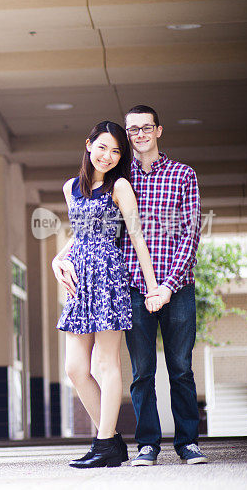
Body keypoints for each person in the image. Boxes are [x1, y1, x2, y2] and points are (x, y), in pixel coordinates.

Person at [51, 120, 163, 468]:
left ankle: (104, 443)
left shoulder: (121, 186)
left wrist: (153, 286)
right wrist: (58, 257)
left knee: (105, 363)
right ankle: (111, 441)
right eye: (102, 147)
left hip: (108, 276)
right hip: (79, 279)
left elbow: (136, 238)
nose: (108, 156)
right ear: (88, 145)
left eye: (116, 150)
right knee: (74, 368)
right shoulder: (71, 187)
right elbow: (79, 233)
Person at [121, 105, 207, 466]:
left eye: (145, 128)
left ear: (159, 130)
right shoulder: (120, 179)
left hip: (178, 287)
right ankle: (147, 445)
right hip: (134, 288)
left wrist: (168, 286)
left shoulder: (183, 174)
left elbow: (191, 233)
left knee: (181, 368)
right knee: (142, 372)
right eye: (132, 130)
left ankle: (188, 442)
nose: (139, 135)